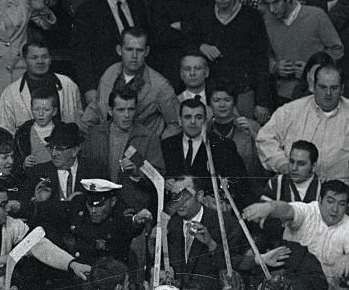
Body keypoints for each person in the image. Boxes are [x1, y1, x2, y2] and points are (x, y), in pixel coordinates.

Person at [256, 63, 349, 185]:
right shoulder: (290, 111)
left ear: (342, 88)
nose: (328, 93)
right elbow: (265, 139)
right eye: (323, 87)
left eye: (334, 88)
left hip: (344, 194)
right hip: (298, 190)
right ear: (313, 87)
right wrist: (281, 163)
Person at [242, 180, 349, 290]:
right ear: (320, 199)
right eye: (330, 201)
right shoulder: (307, 210)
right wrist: (269, 207)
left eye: (341, 204)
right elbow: (287, 210)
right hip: (287, 281)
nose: (335, 209)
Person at [190, 0, 271, 121]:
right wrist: (201, 46)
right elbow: (187, 41)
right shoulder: (204, 15)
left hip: (244, 91)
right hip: (213, 93)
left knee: (245, 136)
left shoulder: (251, 17)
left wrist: (262, 102)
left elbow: (261, 60)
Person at [69, 0, 150, 104]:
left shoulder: (138, 5)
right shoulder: (88, 10)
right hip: (105, 84)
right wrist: (89, 88)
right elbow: (81, 53)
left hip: (139, 83)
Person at [79, 27, 180, 141]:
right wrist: (81, 131)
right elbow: (96, 107)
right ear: (119, 50)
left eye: (139, 50)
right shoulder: (110, 72)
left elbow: (175, 124)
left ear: (146, 51)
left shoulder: (160, 85)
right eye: (129, 49)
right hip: (107, 146)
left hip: (140, 153)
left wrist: (157, 147)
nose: (134, 56)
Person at [77, 85, 166, 214]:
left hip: (133, 208)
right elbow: (83, 170)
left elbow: (159, 178)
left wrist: (137, 172)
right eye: (120, 110)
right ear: (110, 110)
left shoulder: (147, 137)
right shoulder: (95, 135)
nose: (126, 115)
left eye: (131, 109)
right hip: (99, 207)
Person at [162, 98, 249, 205]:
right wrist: (165, 183)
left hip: (209, 209)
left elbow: (237, 182)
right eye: (188, 117)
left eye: (198, 117)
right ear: (180, 120)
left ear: (205, 121)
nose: (193, 122)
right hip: (175, 208)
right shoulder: (167, 145)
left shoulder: (223, 145)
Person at [165, 178, 246, 290]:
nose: (179, 202)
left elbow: (238, 264)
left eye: (185, 196)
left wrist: (211, 244)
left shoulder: (225, 223)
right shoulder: (170, 225)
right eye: (175, 196)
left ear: (199, 195)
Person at [147, 0, 214, 82]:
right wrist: (198, 44)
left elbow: (209, 28)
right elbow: (161, 35)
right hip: (172, 69)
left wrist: (182, 25)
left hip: (205, 69)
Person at [0, 37, 84, 132]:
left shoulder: (68, 85)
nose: (40, 61)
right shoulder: (10, 93)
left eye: (44, 57)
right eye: (34, 58)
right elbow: (4, 131)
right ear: (24, 60)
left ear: (50, 59)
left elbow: (79, 124)